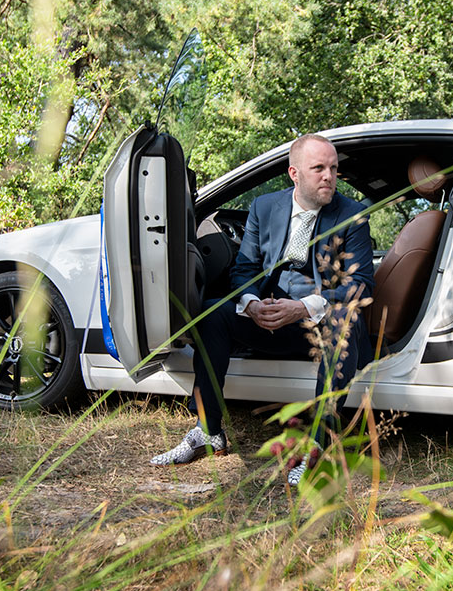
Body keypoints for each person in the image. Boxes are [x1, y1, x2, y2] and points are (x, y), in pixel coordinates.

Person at [150, 134, 374, 479]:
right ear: (294, 173)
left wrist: (302, 307)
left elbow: (360, 285)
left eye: (333, 168)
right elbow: (244, 268)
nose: (329, 176)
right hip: (268, 316)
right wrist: (251, 304)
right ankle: (207, 431)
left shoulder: (353, 214)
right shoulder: (264, 207)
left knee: (345, 318)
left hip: (318, 325)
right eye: (318, 168)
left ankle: (317, 445)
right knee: (213, 313)